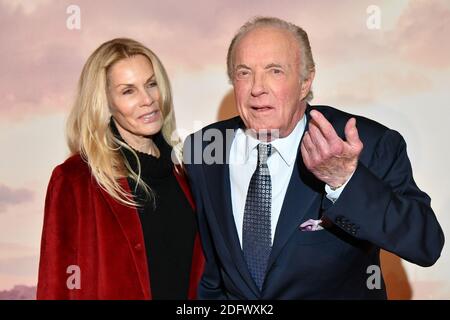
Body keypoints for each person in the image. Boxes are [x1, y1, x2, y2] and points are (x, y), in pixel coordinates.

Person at [183, 17, 444, 299]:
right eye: (244, 72)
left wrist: (345, 181)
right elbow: (209, 268)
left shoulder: (367, 143)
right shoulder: (203, 148)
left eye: (275, 71)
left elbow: (425, 243)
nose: (257, 87)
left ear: (305, 81)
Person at [37, 38, 204, 299]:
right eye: (128, 91)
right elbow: (56, 286)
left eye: (151, 84)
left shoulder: (187, 173)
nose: (147, 99)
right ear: (105, 103)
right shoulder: (76, 179)